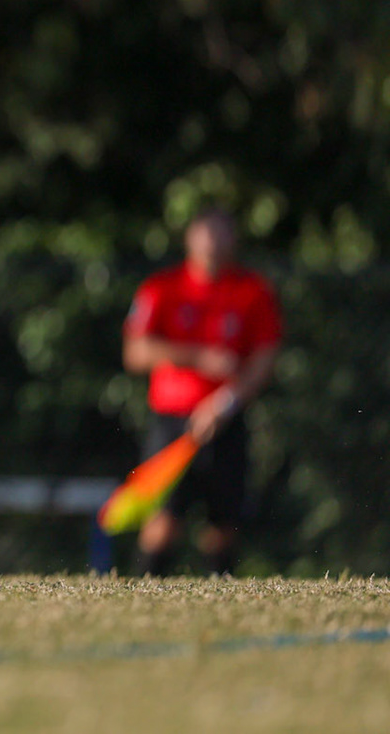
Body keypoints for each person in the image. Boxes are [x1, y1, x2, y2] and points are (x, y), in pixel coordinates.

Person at [123, 208, 282, 575]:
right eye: (206, 232)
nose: (213, 241)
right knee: (163, 521)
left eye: (223, 232)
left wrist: (225, 403)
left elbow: (264, 359)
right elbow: (135, 352)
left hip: (226, 420)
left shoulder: (252, 291)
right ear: (190, 239)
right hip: (171, 424)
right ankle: (143, 592)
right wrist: (197, 357)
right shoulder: (161, 288)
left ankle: (220, 595)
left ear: (234, 240)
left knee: (224, 523)